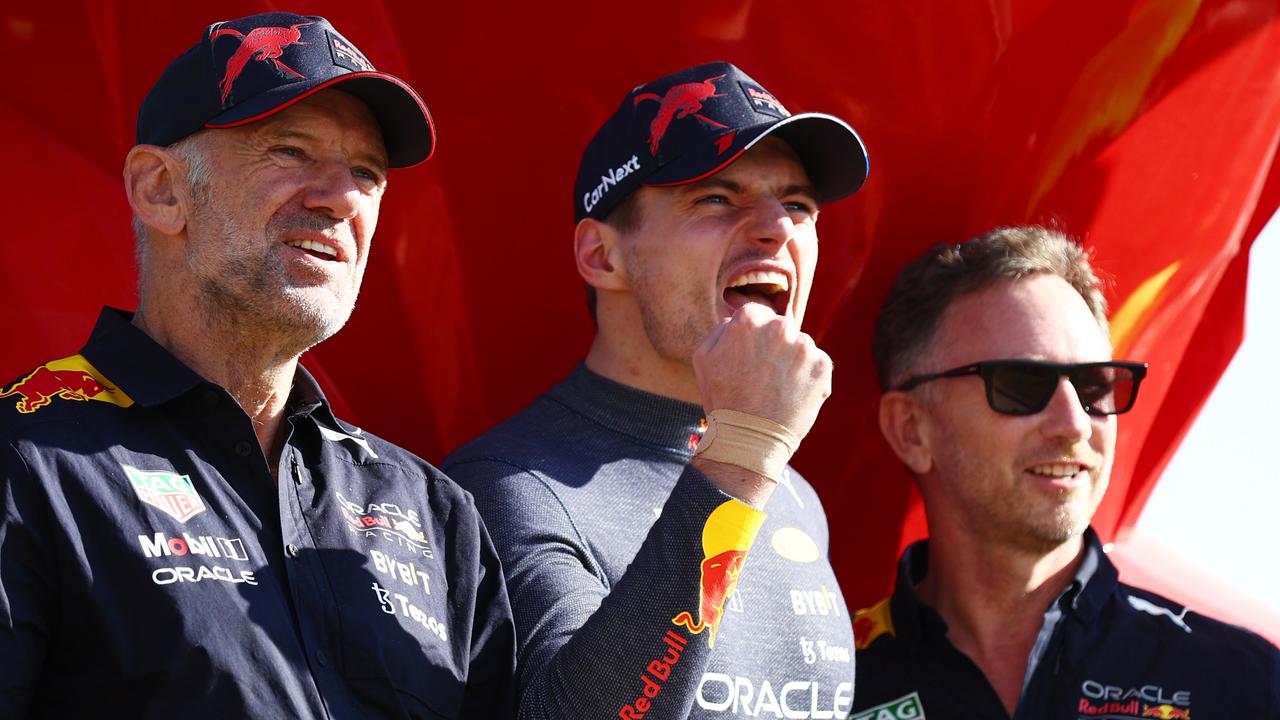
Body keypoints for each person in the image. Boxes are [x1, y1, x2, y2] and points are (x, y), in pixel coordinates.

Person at [0, 12, 515, 718]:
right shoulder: (27, 459)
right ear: (161, 190)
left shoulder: (431, 509)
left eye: (367, 172)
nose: (340, 198)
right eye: (291, 151)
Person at [444, 61, 870, 719]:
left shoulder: (792, 493)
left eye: (797, 205)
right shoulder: (505, 486)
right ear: (601, 257)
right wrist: (745, 454)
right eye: (717, 199)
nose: (777, 229)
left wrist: (751, 456)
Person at [852, 226, 1280, 720]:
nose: (1075, 424)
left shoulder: (1241, 686)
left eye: (1095, 387)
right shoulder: (815, 688)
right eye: (1021, 385)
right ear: (912, 429)